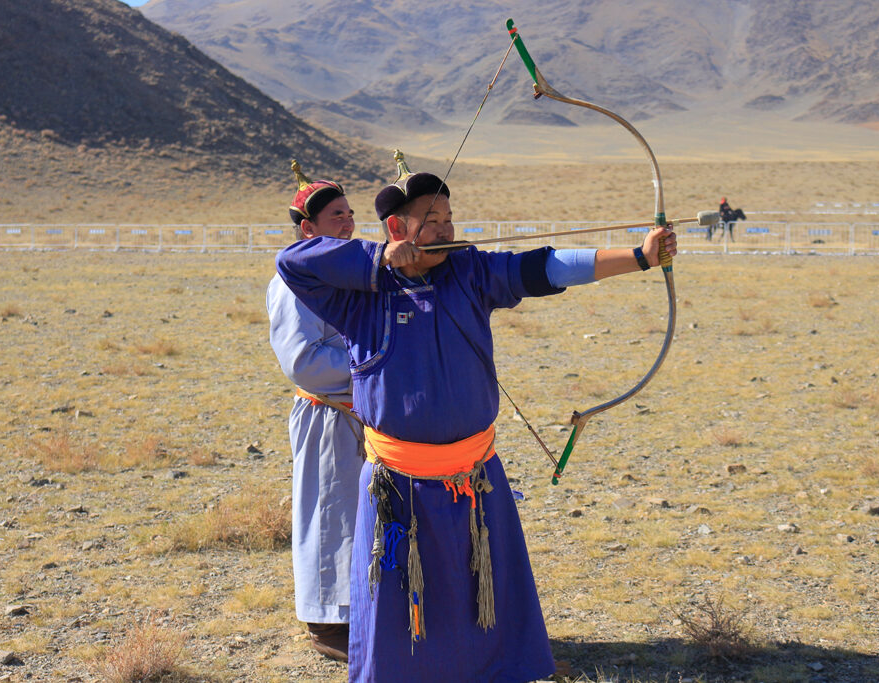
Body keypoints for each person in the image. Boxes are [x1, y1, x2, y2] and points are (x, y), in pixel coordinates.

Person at [275, 151, 677, 682]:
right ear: (396, 227)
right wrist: (381, 260)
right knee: (404, 599)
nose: (444, 230)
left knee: (478, 589)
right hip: (398, 483)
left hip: (474, 476)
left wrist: (639, 256)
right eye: (430, 221)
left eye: (448, 219)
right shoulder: (360, 294)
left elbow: (544, 266)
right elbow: (292, 262)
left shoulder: (471, 270)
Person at [266, 160, 365, 662]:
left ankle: (363, 613)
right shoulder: (293, 280)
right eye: (335, 216)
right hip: (326, 414)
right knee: (330, 513)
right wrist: (376, 359)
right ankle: (326, 623)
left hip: (364, 411)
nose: (347, 222)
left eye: (349, 213)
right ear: (307, 229)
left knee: (359, 516)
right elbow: (304, 362)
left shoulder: (348, 271)